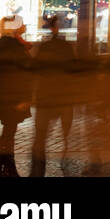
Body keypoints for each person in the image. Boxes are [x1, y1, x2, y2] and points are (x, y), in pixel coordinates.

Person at [30, 15, 76, 177]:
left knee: (40, 136)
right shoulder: (66, 47)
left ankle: (37, 171)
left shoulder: (44, 48)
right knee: (63, 130)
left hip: (46, 95)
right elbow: (73, 70)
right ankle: (64, 154)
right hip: (62, 96)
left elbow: (35, 69)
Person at [0, 16, 32, 177]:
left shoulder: (0, 44)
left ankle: (7, 167)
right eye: (21, 23)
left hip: (4, 96)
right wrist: (23, 98)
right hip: (14, 97)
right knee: (8, 133)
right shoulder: (13, 46)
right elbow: (18, 74)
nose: (24, 25)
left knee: (9, 132)